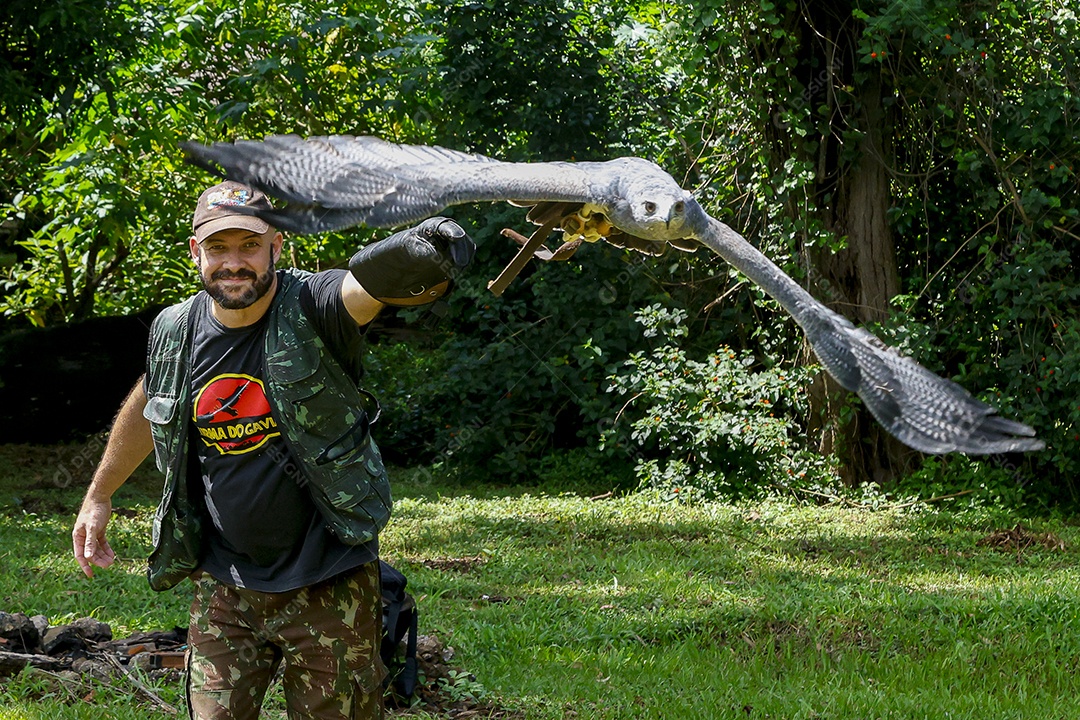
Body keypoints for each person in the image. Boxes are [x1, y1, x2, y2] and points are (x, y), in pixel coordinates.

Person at [71, 181, 475, 719]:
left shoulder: (314, 306)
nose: (233, 263)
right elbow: (151, 402)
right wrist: (99, 495)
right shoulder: (174, 330)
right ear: (196, 252)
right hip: (223, 587)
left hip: (328, 580)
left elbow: (364, 288)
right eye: (219, 248)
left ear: (276, 247)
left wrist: (414, 250)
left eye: (249, 246)